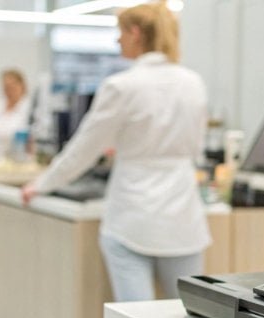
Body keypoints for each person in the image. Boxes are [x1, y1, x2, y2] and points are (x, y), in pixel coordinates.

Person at [21, 2, 211, 302]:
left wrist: (41, 184)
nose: (117, 40)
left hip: (132, 218)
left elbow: (82, 150)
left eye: (120, 32)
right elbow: (195, 148)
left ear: (135, 33)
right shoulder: (193, 83)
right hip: (183, 219)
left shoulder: (122, 86)